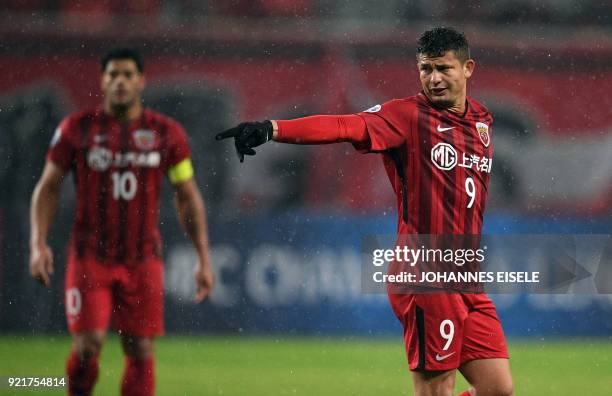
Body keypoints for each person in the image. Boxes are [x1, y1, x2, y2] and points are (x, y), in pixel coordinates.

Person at [216, 27, 513, 396]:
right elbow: (346, 125)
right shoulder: (405, 116)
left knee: (498, 389)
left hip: (467, 277)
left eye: (443, 68)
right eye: (425, 69)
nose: (433, 78)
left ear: (468, 68)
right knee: (437, 389)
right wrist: (272, 129)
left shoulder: (481, 120)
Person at [29, 48, 214, 396]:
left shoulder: (167, 135)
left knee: (141, 348)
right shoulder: (76, 129)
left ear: (142, 80)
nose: (120, 82)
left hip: (142, 259)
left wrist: (203, 256)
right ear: (102, 81)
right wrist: (38, 243)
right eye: (113, 75)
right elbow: (48, 187)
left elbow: (187, 194)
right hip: (90, 258)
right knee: (88, 346)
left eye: (128, 75)